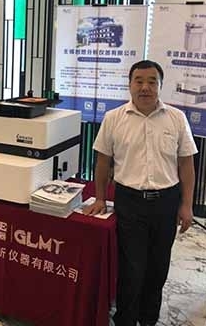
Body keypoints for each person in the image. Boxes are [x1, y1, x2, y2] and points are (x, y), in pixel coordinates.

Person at [84, 60, 197, 326]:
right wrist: (100, 197)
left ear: (160, 85)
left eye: (152, 81)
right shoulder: (114, 118)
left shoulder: (176, 118)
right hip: (130, 202)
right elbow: (103, 161)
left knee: (158, 268)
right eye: (139, 81)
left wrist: (187, 204)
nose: (145, 87)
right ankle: (125, 320)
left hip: (166, 203)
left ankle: (148, 319)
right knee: (131, 269)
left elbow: (186, 164)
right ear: (130, 84)